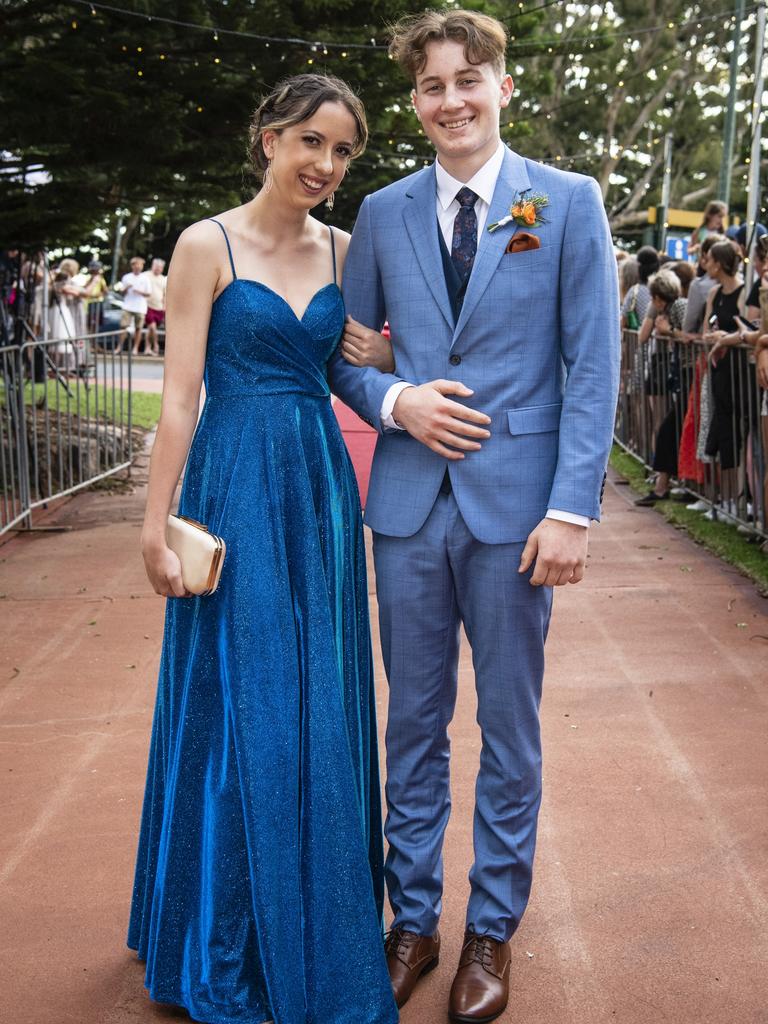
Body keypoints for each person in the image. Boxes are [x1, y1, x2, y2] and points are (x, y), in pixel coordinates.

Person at [328, 11, 620, 1023]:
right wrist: (393, 400)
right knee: (409, 722)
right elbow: (346, 350)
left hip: (518, 516)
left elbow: (593, 367)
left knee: (509, 725)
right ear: (415, 103)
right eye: (432, 87)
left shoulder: (567, 204)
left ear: (503, 85)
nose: (450, 100)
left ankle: (493, 927)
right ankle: (416, 918)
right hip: (407, 507)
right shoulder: (382, 213)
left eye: (468, 80)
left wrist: (572, 509)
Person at [130, 74, 398, 1024]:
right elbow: (177, 398)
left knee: (320, 691)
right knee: (239, 693)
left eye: (342, 152)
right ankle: (220, 929)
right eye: (311, 143)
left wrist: (378, 363)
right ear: (269, 138)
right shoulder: (206, 243)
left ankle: (322, 917)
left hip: (319, 490)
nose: (325, 165)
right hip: (234, 482)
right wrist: (155, 521)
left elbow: (354, 364)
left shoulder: (347, 248)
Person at [633, 270, 689, 505]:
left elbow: (690, 337)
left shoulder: (680, 307)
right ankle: (663, 483)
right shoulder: (666, 309)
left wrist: (668, 331)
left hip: (691, 374)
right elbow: (642, 336)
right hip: (681, 375)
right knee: (671, 429)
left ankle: (662, 486)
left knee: (668, 430)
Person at [116, 256, 150, 353]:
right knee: (123, 327)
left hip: (140, 307)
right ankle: (119, 347)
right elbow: (122, 293)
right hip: (128, 306)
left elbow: (148, 293)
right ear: (132, 266)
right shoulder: (126, 277)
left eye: (140, 265)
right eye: (136, 265)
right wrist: (126, 288)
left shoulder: (145, 278)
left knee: (138, 328)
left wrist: (139, 291)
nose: (138, 267)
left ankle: (135, 348)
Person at [144, 257, 167, 355]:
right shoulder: (145, 275)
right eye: (156, 266)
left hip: (159, 308)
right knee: (152, 327)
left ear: (162, 268)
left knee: (150, 329)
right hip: (147, 306)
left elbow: (165, 295)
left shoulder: (163, 279)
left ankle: (148, 348)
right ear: (152, 266)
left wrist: (165, 306)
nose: (157, 269)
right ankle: (156, 345)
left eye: (160, 267)